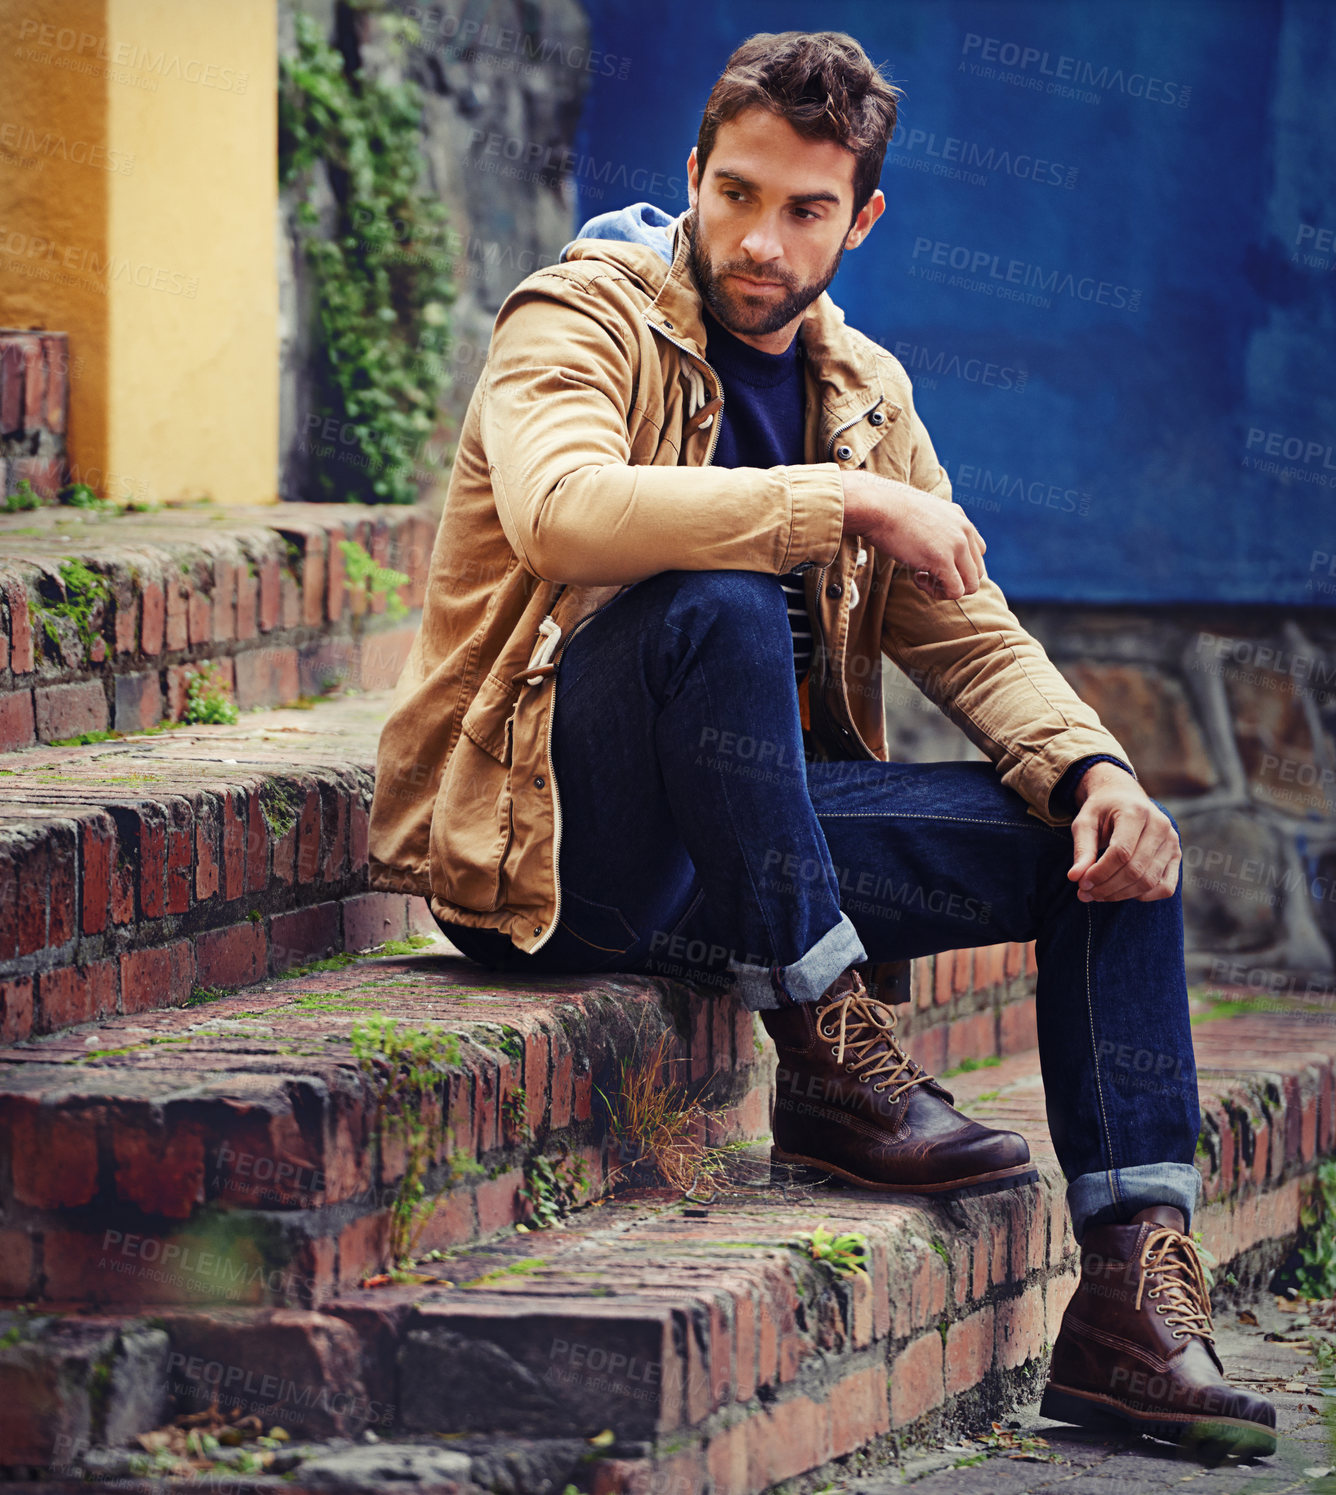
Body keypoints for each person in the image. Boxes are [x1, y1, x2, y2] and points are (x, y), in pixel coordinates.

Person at [369, 29, 1275, 1458]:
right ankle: (834, 1055)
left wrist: (1097, 768)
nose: (760, 238)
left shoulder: (864, 389)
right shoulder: (581, 314)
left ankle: (1130, 1301)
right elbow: (560, 511)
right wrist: (836, 506)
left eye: (805, 210)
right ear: (693, 178)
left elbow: (967, 631)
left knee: (1105, 847)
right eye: (736, 193)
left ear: (862, 220)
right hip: (559, 847)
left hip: (747, 847)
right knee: (716, 606)